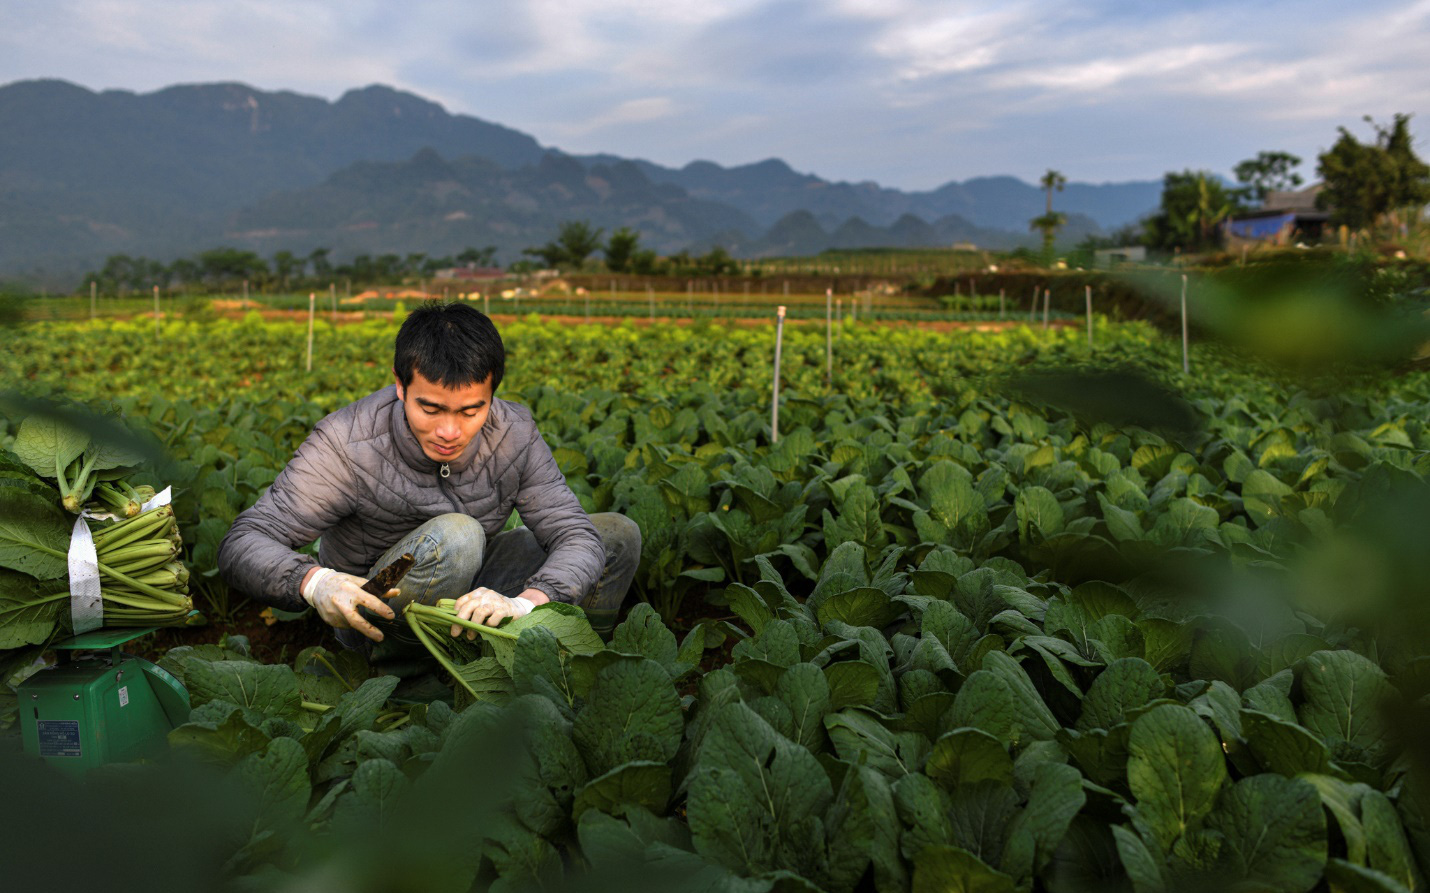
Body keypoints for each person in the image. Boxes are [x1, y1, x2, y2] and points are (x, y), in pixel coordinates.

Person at [217, 302, 641, 670]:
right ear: (401, 386)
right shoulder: (348, 442)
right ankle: (401, 673)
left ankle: (568, 662)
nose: (450, 431)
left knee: (614, 537)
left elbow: (573, 534)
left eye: (472, 410)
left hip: (471, 580)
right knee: (457, 534)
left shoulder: (513, 434)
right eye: (431, 408)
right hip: (376, 602)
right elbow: (243, 541)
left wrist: (528, 601)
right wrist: (315, 581)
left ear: (492, 393)